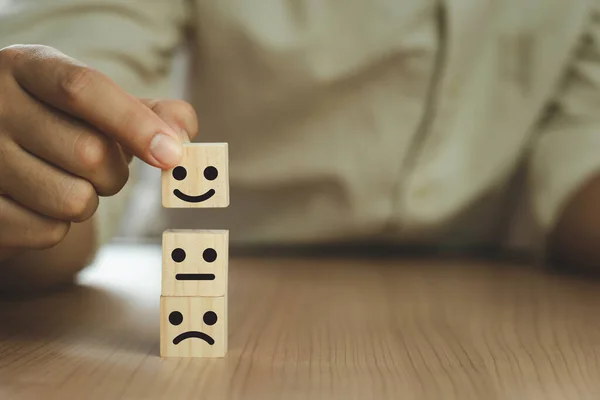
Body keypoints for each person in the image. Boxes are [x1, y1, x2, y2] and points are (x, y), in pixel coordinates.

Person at [1, 0, 600, 293]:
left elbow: (579, 150)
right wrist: (31, 168)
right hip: (243, 269)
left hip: (497, 290)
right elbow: (76, 81)